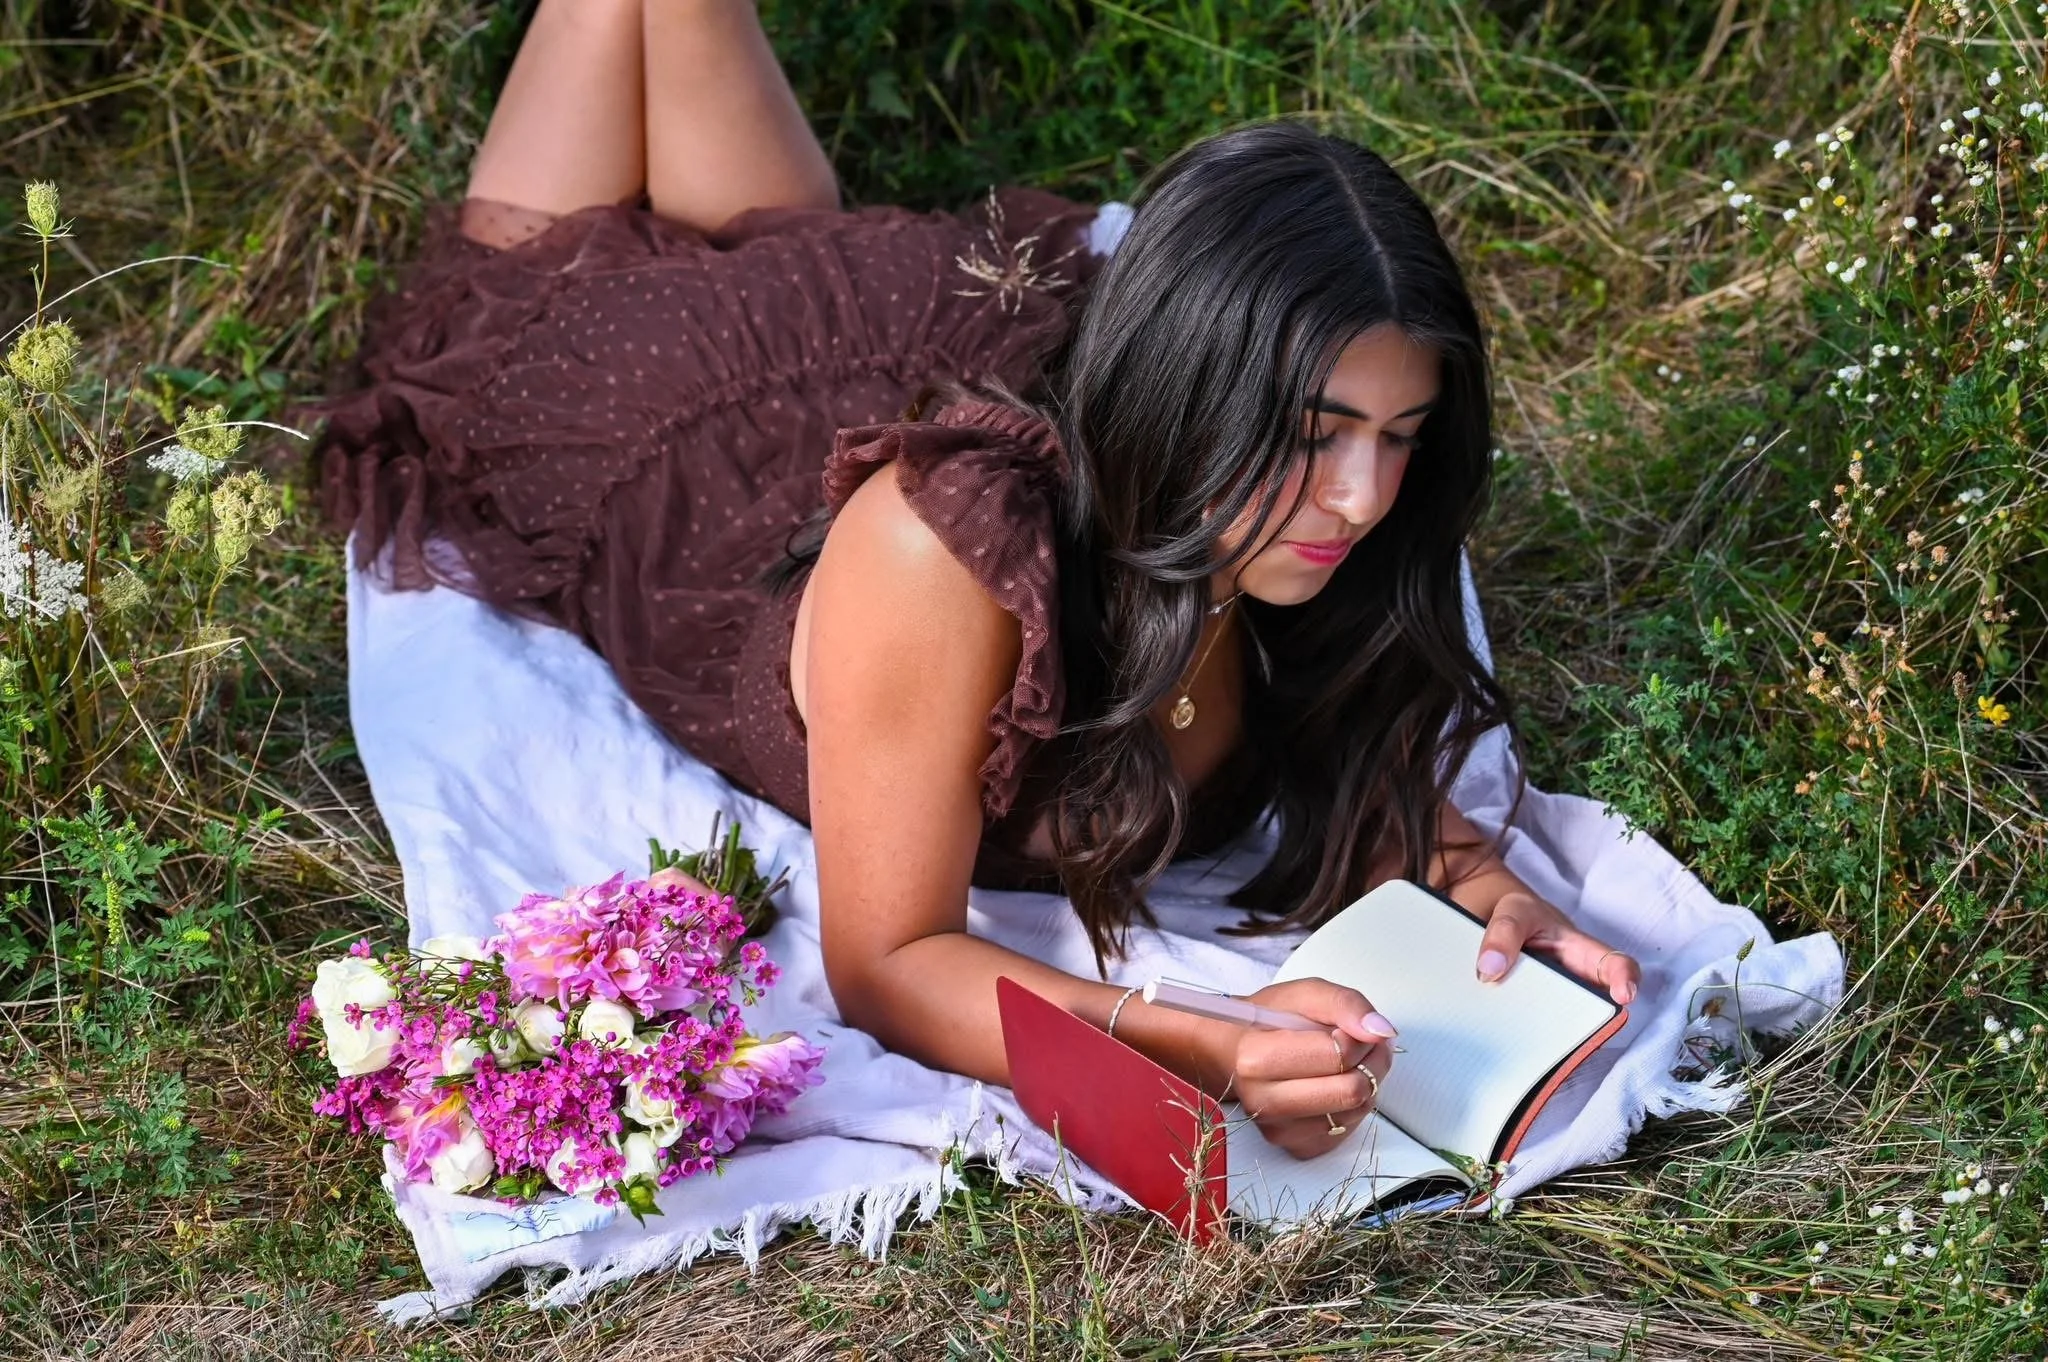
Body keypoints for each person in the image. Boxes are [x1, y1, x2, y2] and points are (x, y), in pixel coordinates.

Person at [320, 0, 1642, 1161]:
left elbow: (1342, 758)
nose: (1361, 497)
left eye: (1398, 437)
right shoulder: (938, 555)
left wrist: (1483, 883)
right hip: (676, 433)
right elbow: (887, 964)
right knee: (535, 273)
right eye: (1312, 435)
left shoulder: (1317, 542)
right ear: (1192, 399)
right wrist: (1208, 1045)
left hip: (882, 338)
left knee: (768, 205)